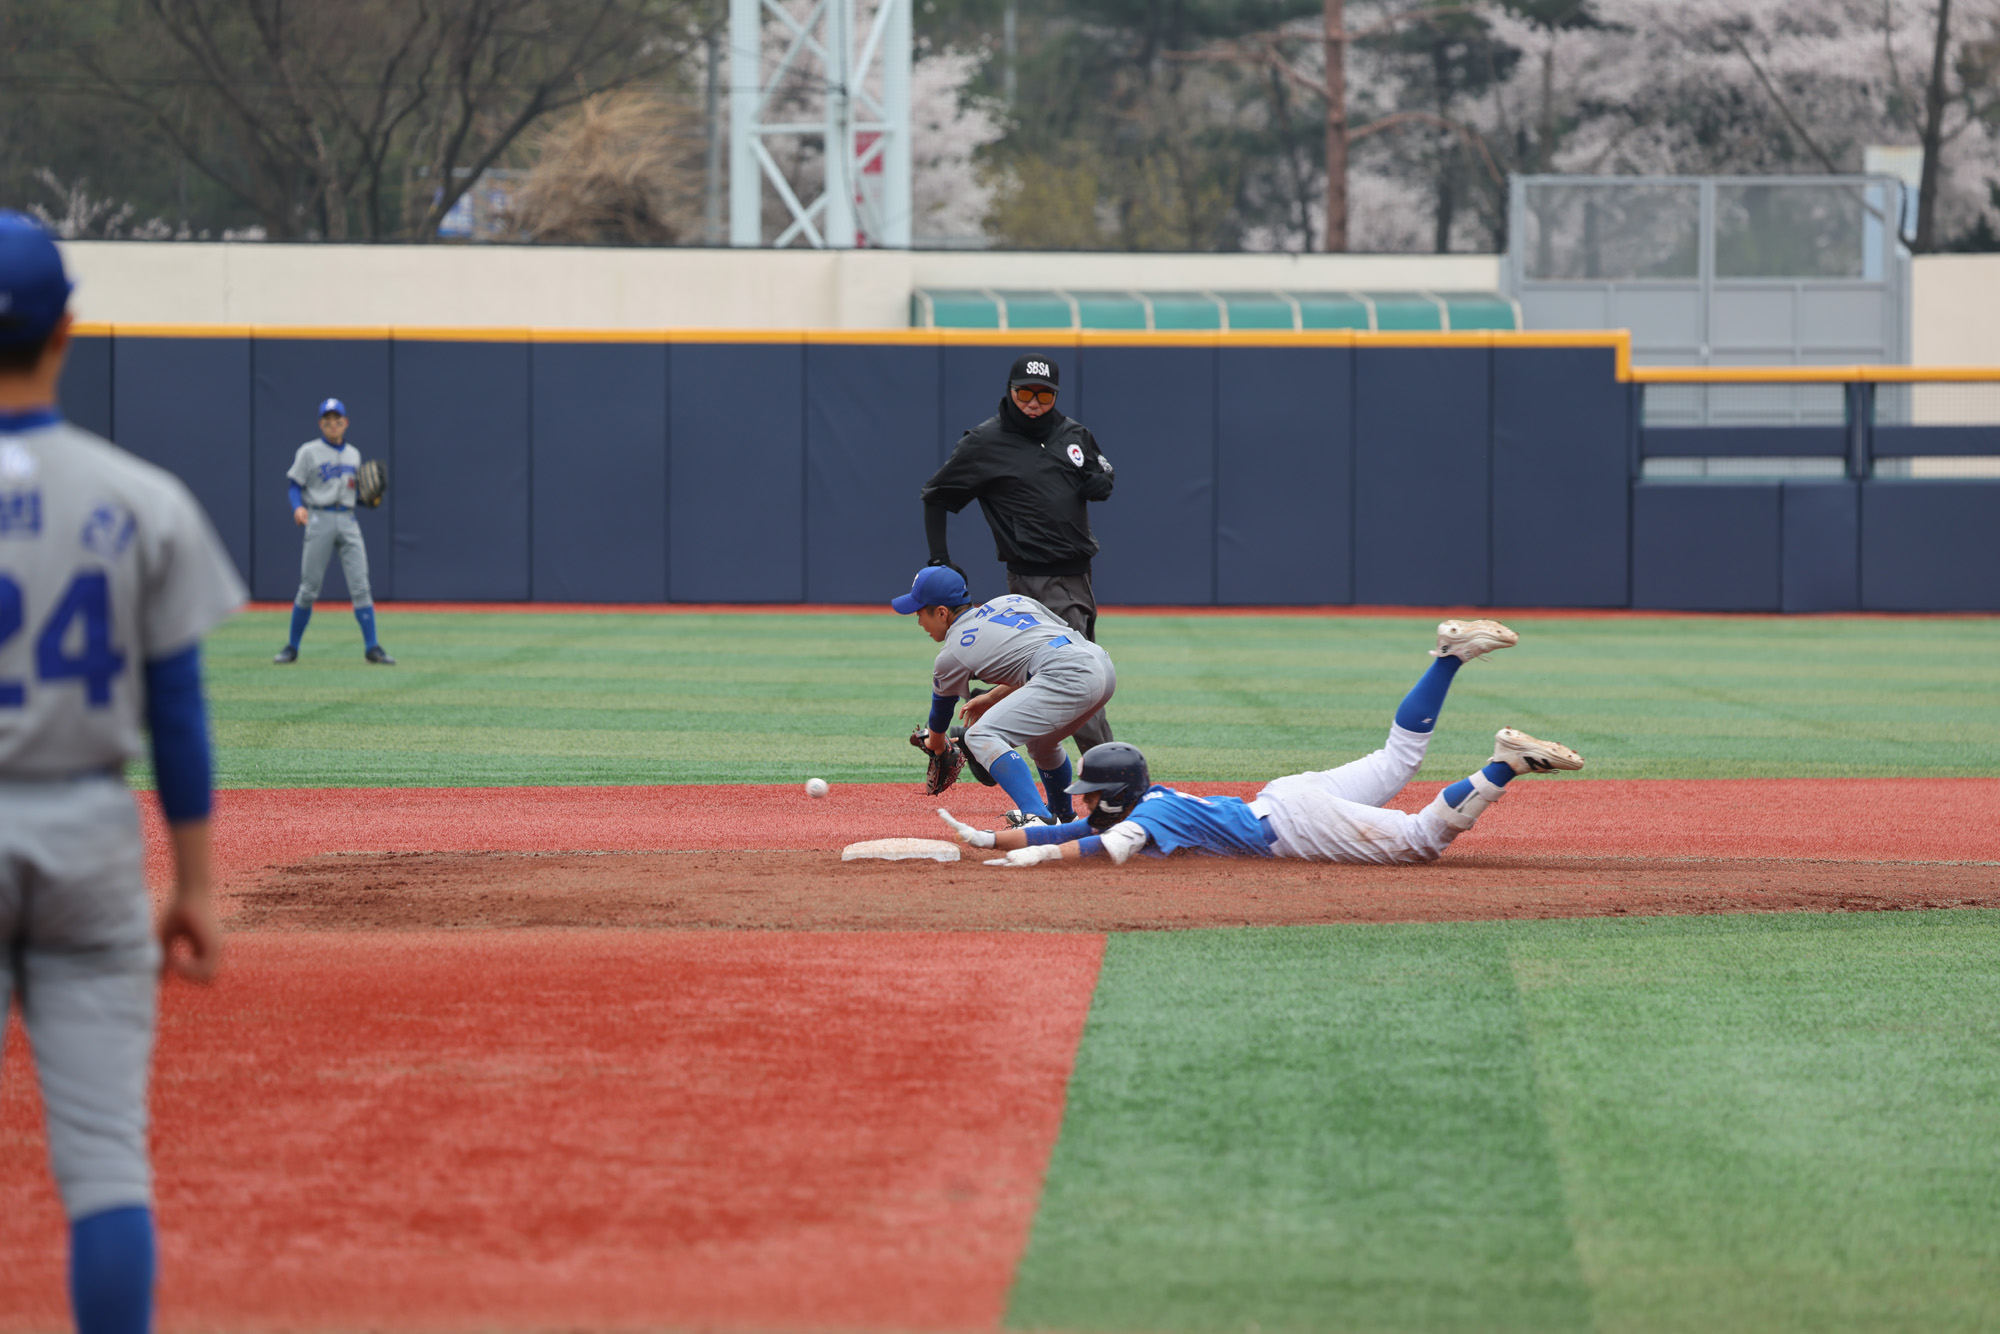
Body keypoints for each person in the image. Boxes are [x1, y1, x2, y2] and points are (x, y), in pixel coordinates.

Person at [0, 212, 244, 1334]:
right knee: (103, 1163)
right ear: (68, 329)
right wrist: (192, 884)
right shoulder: (138, 496)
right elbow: (179, 715)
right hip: (91, 835)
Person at [936, 619, 1585, 866]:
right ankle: (1447, 657)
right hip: (1289, 801)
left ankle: (1503, 764)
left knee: (1419, 842)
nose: (1084, 803)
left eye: (1092, 794)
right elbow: (1072, 831)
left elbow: (1098, 845)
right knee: (1398, 759)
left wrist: (1023, 859)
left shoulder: (1148, 815)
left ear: (1120, 796)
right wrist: (991, 838)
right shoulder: (1153, 801)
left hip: (1294, 824)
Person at [920, 353, 1115, 752]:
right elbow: (936, 496)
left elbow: (1101, 475)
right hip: (1033, 576)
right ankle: (1114, 783)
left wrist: (1099, 482)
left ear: (1055, 395)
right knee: (1079, 678)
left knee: (1051, 673)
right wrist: (939, 557)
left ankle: (984, 739)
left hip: (1075, 575)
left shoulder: (1073, 434)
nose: (1033, 402)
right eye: (1025, 391)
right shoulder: (985, 442)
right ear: (1010, 390)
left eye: (1044, 395)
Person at [894, 563, 1116, 827]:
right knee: (1041, 743)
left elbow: (940, 713)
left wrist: (937, 744)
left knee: (980, 735)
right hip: (1099, 662)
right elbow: (1048, 643)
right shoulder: (1010, 601)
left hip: (1069, 672)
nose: (919, 621)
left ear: (942, 613)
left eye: (920, 613)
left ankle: (1038, 819)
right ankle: (1062, 816)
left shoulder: (952, 651)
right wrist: (991, 697)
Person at [274, 397, 392, 664]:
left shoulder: (354, 454)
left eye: (337, 421)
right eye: (327, 422)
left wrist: (368, 499)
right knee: (309, 587)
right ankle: (291, 647)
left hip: (348, 519)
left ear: (345, 423)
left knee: (361, 585)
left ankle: (372, 647)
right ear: (321, 424)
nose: (333, 425)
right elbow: (295, 485)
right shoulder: (309, 451)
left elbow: (353, 492)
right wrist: (297, 507)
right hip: (319, 517)